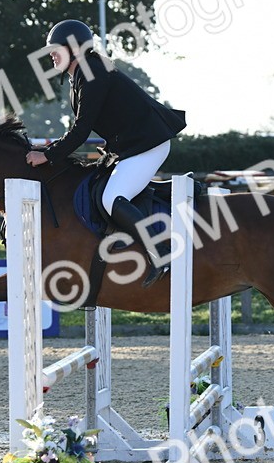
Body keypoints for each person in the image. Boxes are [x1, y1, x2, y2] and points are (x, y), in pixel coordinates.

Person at [25, 19, 186, 287]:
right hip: (132, 146)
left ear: (74, 49)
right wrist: (49, 150)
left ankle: (161, 253)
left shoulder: (92, 71)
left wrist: (48, 156)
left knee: (112, 198)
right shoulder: (81, 74)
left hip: (148, 144)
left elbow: (81, 130)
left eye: (56, 49)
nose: (51, 54)